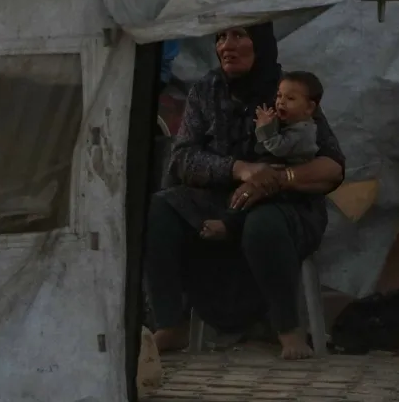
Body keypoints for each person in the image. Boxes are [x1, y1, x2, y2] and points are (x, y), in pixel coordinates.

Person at [144, 22, 345, 360]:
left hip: (285, 203)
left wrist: (278, 179)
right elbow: (181, 158)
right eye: (221, 37)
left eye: (239, 35)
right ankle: (170, 323)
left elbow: (333, 166)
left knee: (262, 225)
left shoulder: (288, 92)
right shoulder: (205, 91)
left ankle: (288, 329)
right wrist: (240, 169)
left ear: (261, 43)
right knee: (159, 210)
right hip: (218, 199)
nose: (227, 45)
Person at [200, 70, 324, 241]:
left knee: (256, 200)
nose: (281, 102)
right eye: (279, 96)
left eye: (290, 98)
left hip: (290, 184)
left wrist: (264, 127)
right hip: (277, 171)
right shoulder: (293, 123)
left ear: (309, 108)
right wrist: (270, 123)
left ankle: (229, 226)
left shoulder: (304, 132)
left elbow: (277, 147)